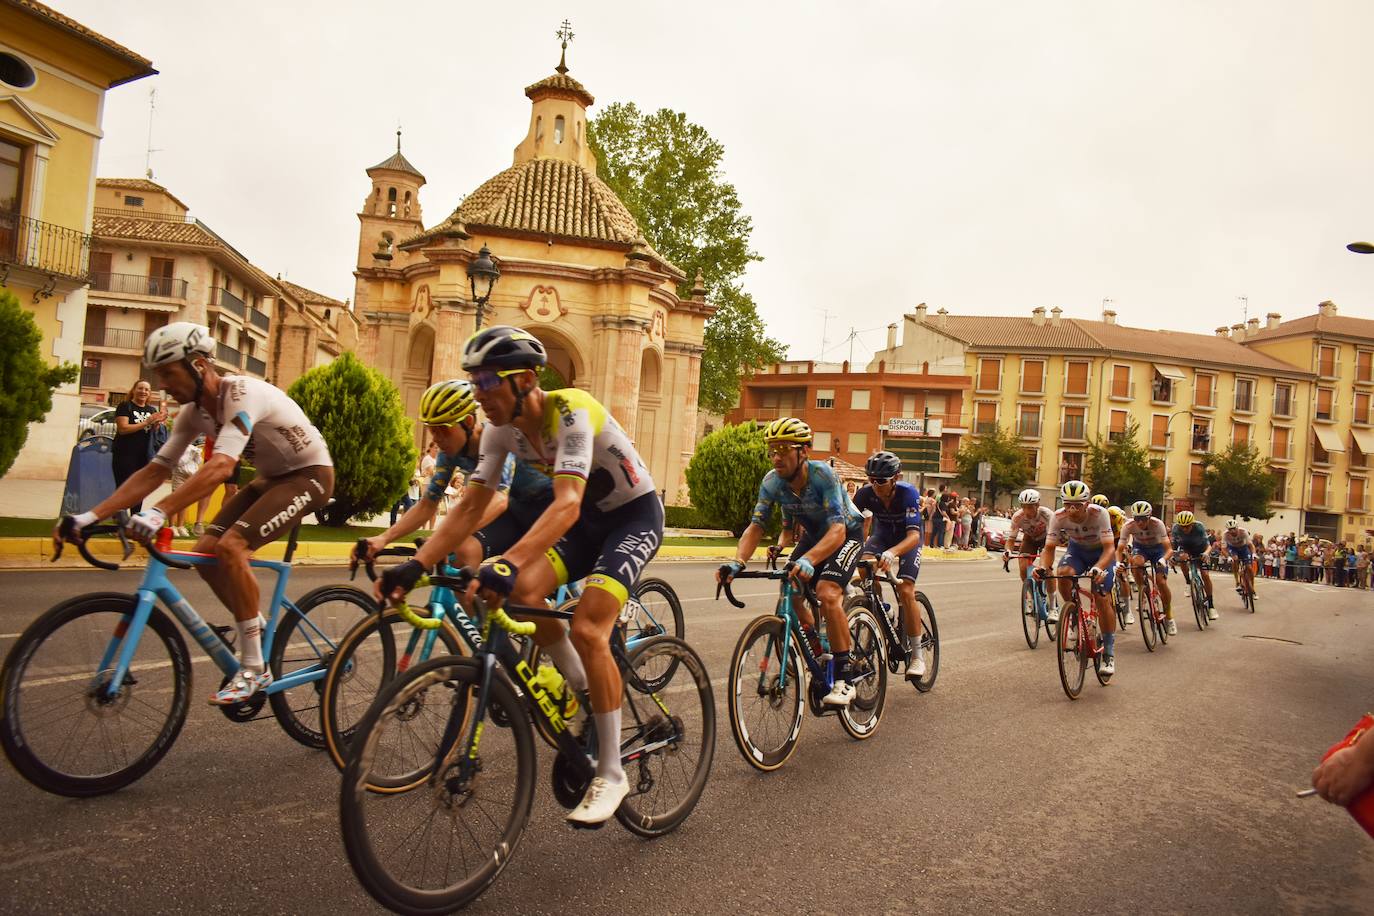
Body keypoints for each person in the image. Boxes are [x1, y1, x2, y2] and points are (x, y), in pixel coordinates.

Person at [379, 326, 662, 827]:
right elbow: (470, 506)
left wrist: (507, 560)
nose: (479, 394)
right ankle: (580, 687)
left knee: (589, 626)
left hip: (631, 517)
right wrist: (416, 563)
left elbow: (568, 502)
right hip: (587, 521)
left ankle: (613, 774)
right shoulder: (499, 430)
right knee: (524, 593)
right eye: (474, 382)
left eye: (488, 380)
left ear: (527, 379)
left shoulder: (571, 411)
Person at [56, 322, 334, 705]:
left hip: (310, 476)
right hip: (271, 479)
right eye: (158, 376)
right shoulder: (190, 414)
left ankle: (255, 667)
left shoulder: (241, 393)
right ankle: (255, 625)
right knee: (206, 552)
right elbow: (155, 471)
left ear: (200, 365)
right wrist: (87, 517)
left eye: (169, 373)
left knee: (231, 547)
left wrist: (159, 513)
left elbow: (220, 467)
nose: (163, 385)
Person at [356, 379, 554, 591]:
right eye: (433, 430)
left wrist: (445, 538)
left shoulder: (496, 438)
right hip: (516, 510)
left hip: (546, 510)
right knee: (464, 553)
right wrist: (383, 538)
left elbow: (498, 501)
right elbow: (427, 505)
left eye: (444, 429)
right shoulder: (449, 454)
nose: (438, 438)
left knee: (523, 589)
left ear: (468, 422)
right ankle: (475, 624)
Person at [721, 415, 865, 702]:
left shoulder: (823, 475)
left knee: (827, 592)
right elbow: (756, 526)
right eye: (772, 449)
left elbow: (837, 530)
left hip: (846, 533)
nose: (777, 456)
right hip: (815, 536)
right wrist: (738, 561)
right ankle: (817, 647)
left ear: (804, 451)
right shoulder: (772, 482)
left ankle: (846, 677)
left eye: (784, 449)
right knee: (791, 585)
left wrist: (810, 559)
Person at [852, 451, 925, 682]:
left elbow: (914, 535)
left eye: (881, 480)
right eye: (871, 479)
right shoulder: (865, 494)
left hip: (907, 538)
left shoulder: (908, 493)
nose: (875, 485)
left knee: (905, 590)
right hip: (882, 535)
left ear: (895, 478)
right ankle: (883, 608)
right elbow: (850, 525)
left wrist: (893, 553)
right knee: (864, 569)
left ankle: (917, 655)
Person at [1034, 480, 1119, 678]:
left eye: (1078, 505)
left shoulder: (1100, 514)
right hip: (1078, 551)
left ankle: (1108, 652)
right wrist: (1042, 567)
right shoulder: (1058, 516)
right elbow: (1049, 549)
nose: (1072, 510)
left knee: (1102, 596)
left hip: (1101, 553)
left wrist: (1098, 568)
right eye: (1067, 504)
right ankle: (1073, 615)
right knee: (1063, 573)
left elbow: (1109, 549)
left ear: (1087, 503)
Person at [1119, 501, 1175, 635]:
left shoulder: (1158, 524)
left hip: (1158, 550)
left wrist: (1163, 559)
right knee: (1135, 562)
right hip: (1141, 549)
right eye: (1137, 519)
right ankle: (1142, 591)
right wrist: (1118, 563)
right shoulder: (1128, 526)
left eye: (1143, 519)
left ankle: (1169, 616)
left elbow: (1169, 550)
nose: (1140, 523)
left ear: (1149, 517)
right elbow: (1119, 549)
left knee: (1161, 582)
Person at [111, 379, 167, 513]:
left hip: (144, 456)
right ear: (134, 390)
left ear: (149, 393)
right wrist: (147, 422)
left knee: (140, 488)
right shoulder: (125, 406)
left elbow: (153, 432)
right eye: (140, 388)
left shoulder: (151, 409)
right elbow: (123, 429)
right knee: (124, 487)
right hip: (124, 455)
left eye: (147, 389)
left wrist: (157, 424)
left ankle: (135, 518)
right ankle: (120, 520)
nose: (143, 392)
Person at [1007, 488, 1055, 619]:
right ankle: (1030, 597)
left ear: (1037, 505)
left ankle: (1052, 607)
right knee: (1023, 567)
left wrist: (1045, 562)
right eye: (1024, 507)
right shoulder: (1018, 517)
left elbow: (1052, 541)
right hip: (1030, 539)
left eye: (1030, 507)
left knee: (1047, 570)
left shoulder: (1048, 515)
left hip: (1047, 540)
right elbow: (1011, 540)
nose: (1027, 511)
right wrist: (1008, 551)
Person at [1171, 510, 1216, 619]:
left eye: (1187, 526)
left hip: (1200, 550)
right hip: (1186, 549)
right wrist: (1173, 556)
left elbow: (1209, 545)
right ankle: (1188, 582)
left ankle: (1211, 606)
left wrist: (1206, 553)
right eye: (1182, 526)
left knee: (1205, 575)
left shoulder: (1199, 527)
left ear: (1192, 524)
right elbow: (1173, 546)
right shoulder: (1176, 528)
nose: (1185, 529)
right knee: (1182, 558)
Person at [1220, 519, 1256, 600]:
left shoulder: (1243, 532)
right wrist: (1228, 557)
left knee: (1249, 568)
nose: (1232, 531)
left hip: (1244, 548)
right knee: (1234, 559)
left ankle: (1252, 590)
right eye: (1230, 529)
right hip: (1233, 549)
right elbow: (1223, 548)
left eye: (1234, 528)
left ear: (1237, 527)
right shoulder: (1225, 535)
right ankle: (1237, 582)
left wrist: (1253, 554)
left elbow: (1251, 545)